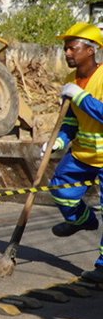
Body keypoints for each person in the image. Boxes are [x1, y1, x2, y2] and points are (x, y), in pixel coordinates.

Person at [47, 22, 103, 284]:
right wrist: (58, 142)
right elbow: (69, 120)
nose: (67, 53)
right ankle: (83, 220)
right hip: (82, 153)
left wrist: (80, 97)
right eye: (65, 48)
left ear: (91, 50)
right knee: (60, 189)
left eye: (72, 48)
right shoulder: (71, 80)